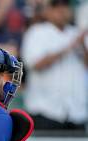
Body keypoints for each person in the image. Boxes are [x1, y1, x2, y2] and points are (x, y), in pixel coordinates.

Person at [21, 0, 86, 130]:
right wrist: (69, 46)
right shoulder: (36, 32)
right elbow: (35, 64)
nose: (61, 10)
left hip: (76, 112)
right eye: (56, 6)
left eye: (65, 5)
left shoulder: (77, 33)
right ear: (48, 10)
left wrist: (82, 45)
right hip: (45, 111)